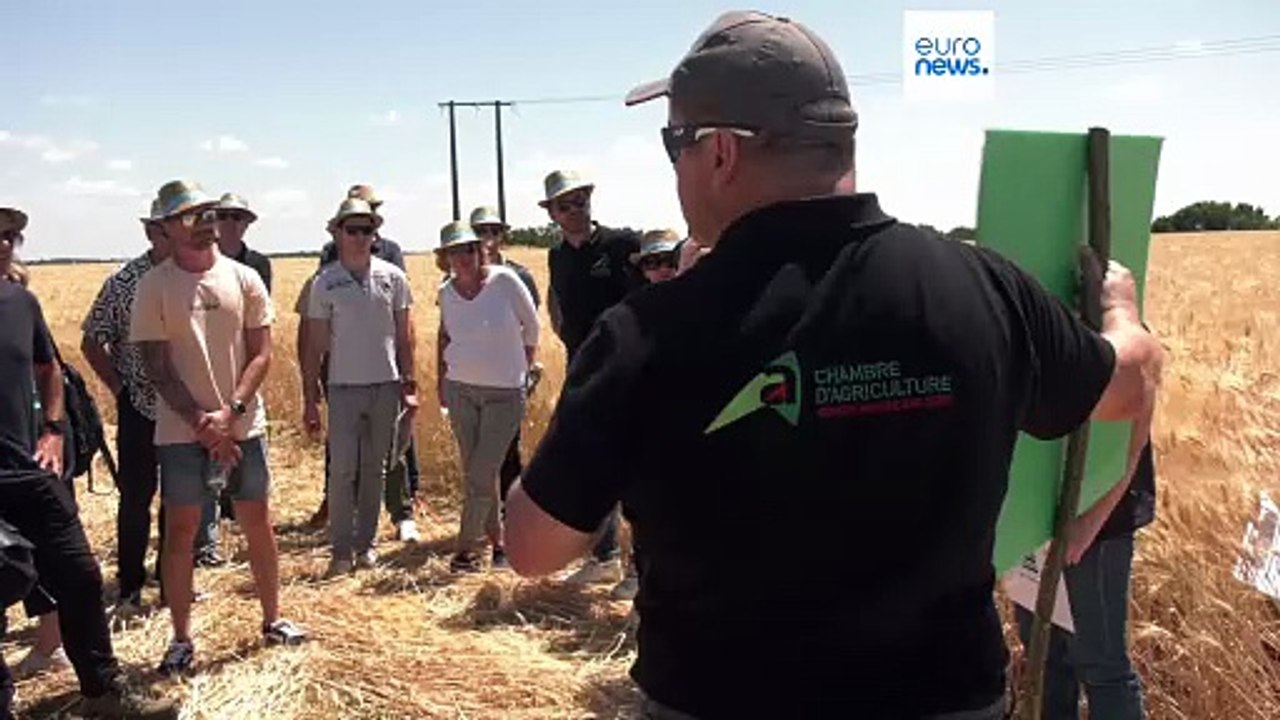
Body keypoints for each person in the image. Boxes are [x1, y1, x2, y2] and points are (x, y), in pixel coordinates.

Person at [503, 11, 1163, 720]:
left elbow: (535, 548)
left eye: (674, 143)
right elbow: (1130, 383)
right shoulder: (986, 287)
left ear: (721, 151)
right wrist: (1122, 314)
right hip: (945, 701)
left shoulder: (647, 333)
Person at [0, 205, 177, 719]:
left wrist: (53, 430)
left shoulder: (20, 302)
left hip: (30, 470)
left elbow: (48, 367)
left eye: (12, 236)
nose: (6, 244)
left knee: (79, 575)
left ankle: (102, 691)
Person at [130, 180, 305, 676]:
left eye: (208, 213)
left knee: (257, 521)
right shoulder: (154, 287)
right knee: (181, 531)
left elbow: (262, 353)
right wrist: (202, 424)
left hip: (243, 426)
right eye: (190, 216)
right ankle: (181, 638)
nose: (204, 223)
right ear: (166, 228)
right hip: (181, 432)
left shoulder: (245, 278)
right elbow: (157, 366)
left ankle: (272, 619)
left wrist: (231, 413)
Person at [302, 199, 418, 576]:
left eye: (367, 230)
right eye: (351, 230)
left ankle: (366, 546)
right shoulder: (325, 282)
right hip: (343, 388)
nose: (359, 237)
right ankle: (340, 551)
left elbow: (405, 337)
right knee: (342, 472)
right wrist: (310, 397)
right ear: (337, 233)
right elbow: (315, 345)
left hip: (385, 385)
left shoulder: (393, 278)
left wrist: (409, 383)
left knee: (375, 470)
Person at [539, 169, 642, 586]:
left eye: (580, 201)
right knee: (597, 463)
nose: (575, 210)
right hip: (583, 368)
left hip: (628, 368)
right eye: (565, 205)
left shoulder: (622, 245)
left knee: (636, 465)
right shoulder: (557, 256)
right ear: (552, 214)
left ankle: (639, 567)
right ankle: (605, 556)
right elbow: (557, 307)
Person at [1014, 437, 1157, 719]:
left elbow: (1137, 418)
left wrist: (1091, 521)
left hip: (1094, 516)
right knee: (1044, 660)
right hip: (1027, 512)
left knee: (1101, 666)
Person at [81, 200, 173, 619]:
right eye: (164, 229)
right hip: (139, 407)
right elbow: (91, 340)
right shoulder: (123, 282)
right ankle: (130, 588)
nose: (172, 237)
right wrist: (119, 388)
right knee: (136, 499)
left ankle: (172, 583)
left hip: (186, 411)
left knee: (180, 499)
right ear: (151, 233)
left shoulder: (194, 278)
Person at [435, 221, 539, 573]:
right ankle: (499, 546)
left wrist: (521, 369)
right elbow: (446, 337)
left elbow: (532, 326)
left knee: (482, 472)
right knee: (478, 473)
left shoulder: (505, 281)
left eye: (469, 249)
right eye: (455, 251)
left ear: (480, 251)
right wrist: (441, 381)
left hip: (504, 394)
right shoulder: (446, 293)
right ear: (446, 258)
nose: (464, 257)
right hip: (461, 390)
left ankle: (465, 550)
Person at [198, 192, 273, 560]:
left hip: (244, 367)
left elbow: (260, 325)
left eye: (237, 217)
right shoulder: (198, 263)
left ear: (247, 223)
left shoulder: (257, 266)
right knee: (205, 449)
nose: (230, 223)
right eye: (224, 216)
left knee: (243, 446)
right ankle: (206, 538)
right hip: (205, 368)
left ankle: (238, 515)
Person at [470, 205, 543, 568]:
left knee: (509, 452)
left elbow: (532, 323)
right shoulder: (459, 274)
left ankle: (511, 522)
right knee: (479, 453)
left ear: (503, 235)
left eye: (493, 231)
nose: (487, 239)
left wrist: (525, 368)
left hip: (510, 375)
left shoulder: (519, 275)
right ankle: (486, 525)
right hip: (474, 378)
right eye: (480, 231)